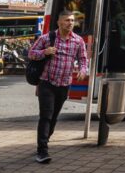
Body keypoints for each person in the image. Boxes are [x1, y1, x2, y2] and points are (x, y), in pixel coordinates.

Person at [27, 10, 89, 164]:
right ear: (59, 22)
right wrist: (44, 52)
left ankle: (45, 138)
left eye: (72, 20)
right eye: (67, 20)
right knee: (46, 116)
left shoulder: (78, 41)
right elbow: (31, 54)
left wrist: (82, 70)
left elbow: (83, 59)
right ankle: (42, 151)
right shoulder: (47, 38)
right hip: (46, 82)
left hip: (64, 84)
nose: (70, 23)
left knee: (54, 117)